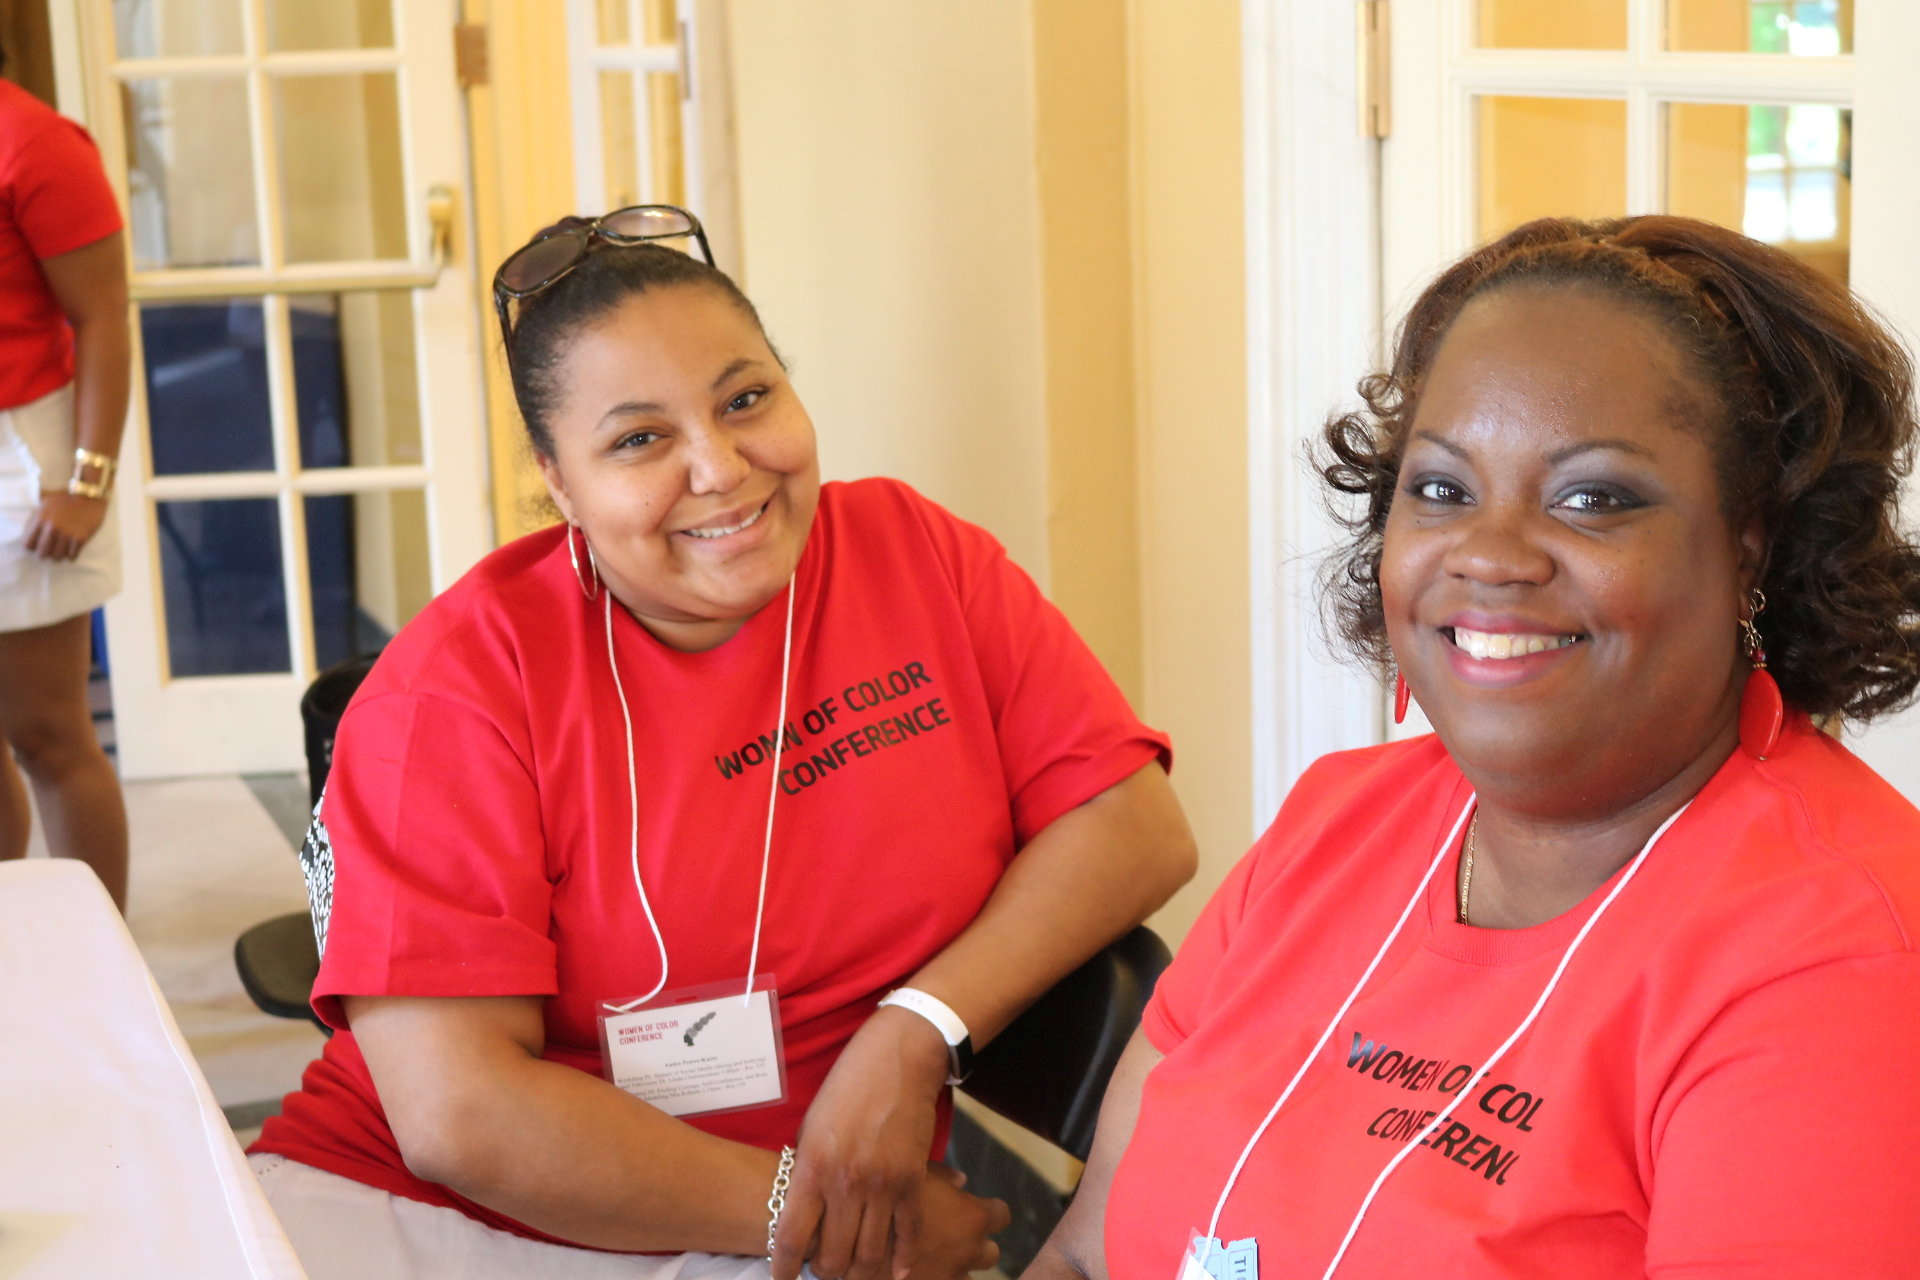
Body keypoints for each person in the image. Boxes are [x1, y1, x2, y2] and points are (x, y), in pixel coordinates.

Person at [249, 205, 1198, 1280]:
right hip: (440, 1217)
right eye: (639, 439)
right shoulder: (458, 687)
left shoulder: (915, 555)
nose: (722, 467)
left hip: (803, 1231)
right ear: (559, 485)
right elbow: (459, 1115)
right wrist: (824, 1212)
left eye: (746, 398)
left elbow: (1133, 822)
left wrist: (917, 1027)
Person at [1022, 215, 1920, 1280]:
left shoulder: (1842, 957)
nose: (1489, 555)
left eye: (1592, 497)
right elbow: (1086, 1248)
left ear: (1749, 543)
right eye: (1441, 488)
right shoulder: (1336, 819)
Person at [0, 49, 132, 910]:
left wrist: (86, 483)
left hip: (25, 453)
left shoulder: (35, 143)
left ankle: (102, 960)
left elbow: (104, 317)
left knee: (48, 734)